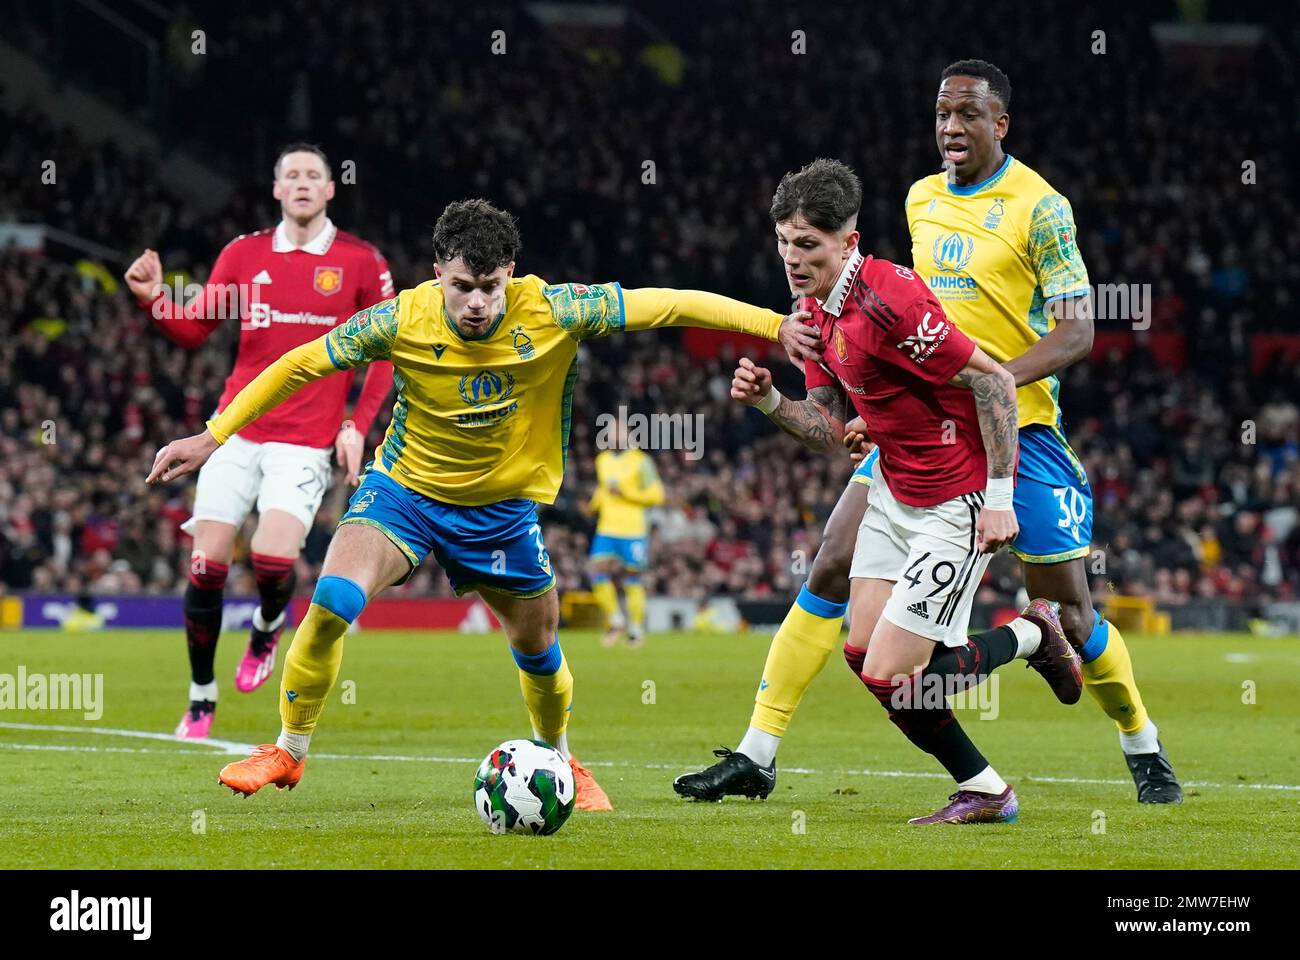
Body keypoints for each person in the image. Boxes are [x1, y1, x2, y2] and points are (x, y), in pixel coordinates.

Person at [146, 198, 822, 812]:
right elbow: (300, 364)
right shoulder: (399, 317)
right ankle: (289, 751)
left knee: (539, 649)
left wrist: (773, 324)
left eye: (490, 287)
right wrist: (213, 435)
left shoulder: (557, 309)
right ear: (438, 272)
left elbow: (669, 304)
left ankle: (558, 757)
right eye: (461, 286)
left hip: (500, 514)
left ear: (512, 274)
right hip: (403, 495)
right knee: (328, 609)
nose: (475, 303)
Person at [677, 58, 1182, 807]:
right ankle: (759, 750)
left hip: (1018, 430)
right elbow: (879, 326)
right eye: (942, 115)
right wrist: (869, 404)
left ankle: (1141, 743)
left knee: (1073, 612)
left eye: (968, 116)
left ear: (999, 124)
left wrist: (984, 384)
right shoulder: (919, 199)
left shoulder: (1041, 207)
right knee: (827, 567)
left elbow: (1078, 331)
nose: (951, 128)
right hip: (917, 436)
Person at [678, 159, 1081, 823]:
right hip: (895, 493)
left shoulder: (892, 301)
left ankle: (1034, 638)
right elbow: (826, 429)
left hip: (959, 497)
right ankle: (982, 785)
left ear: (849, 243)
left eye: (808, 244)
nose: (792, 258)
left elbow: (995, 384)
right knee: (867, 657)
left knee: (895, 677)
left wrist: (1004, 497)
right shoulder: (811, 316)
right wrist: (771, 401)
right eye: (783, 242)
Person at [125, 143, 394, 740]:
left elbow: (384, 352)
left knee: (274, 559)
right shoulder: (244, 256)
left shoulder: (359, 262)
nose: (301, 183)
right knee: (206, 564)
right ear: (276, 189)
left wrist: (356, 425)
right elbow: (195, 328)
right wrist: (154, 299)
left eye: (313, 176)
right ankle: (200, 696)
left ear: (330, 190)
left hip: (306, 440)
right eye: (290, 175)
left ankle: (270, 624)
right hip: (234, 430)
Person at [587, 419, 664, 647]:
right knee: (596, 572)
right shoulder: (602, 460)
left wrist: (625, 493)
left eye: (618, 432)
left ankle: (636, 630)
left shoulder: (641, 462)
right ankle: (615, 619)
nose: (613, 436)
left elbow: (657, 494)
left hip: (633, 530)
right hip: (607, 528)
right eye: (610, 432)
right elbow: (603, 490)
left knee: (632, 579)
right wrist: (592, 505)